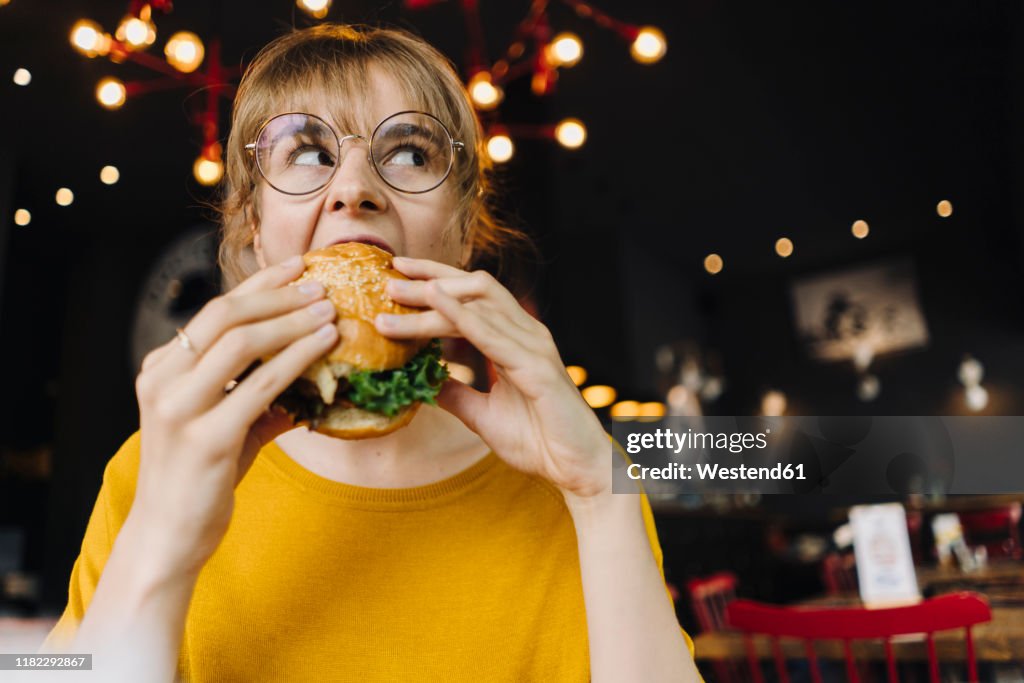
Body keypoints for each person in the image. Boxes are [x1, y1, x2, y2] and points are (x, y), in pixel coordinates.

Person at [41, 23, 700, 682]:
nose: (354, 188)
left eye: (409, 153)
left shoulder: (579, 485)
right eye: (306, 151)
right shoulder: (154, 468)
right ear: (255, 227)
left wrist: (600, 496)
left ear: (464, 231)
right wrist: (160, 541)